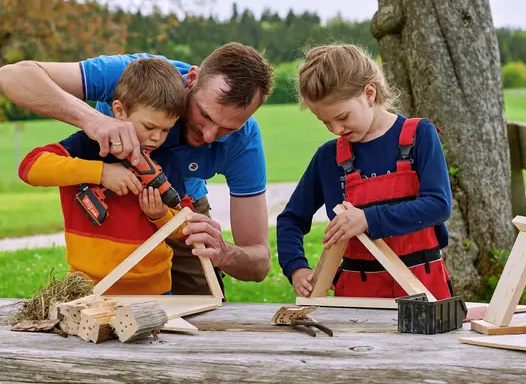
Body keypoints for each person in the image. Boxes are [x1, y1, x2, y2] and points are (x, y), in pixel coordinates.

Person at [0, 43, 275, 295]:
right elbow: (12, 76)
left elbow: (259, 262)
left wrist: (224, 252)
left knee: (200, 306)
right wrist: (93, 121)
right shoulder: (140, 77)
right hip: (111, 197)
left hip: (176, 203)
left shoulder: (245, 141)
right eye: (204, 115)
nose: (208, 136)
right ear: (191, 80)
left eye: (228, 128)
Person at [276, 43, 453, 299]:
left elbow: (438, 205)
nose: (336, 129)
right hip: (357, 300)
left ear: (369, 93)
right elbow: (290, 220)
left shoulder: (419, 136)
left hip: (426, 292)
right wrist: (296, 268)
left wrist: (368, 219)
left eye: (342, 116)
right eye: (324, 121)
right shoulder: (328, 158)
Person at [18, 58, 193, 295]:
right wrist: (101, 172)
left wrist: (160, 215)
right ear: (119, 111)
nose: (156, 138)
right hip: (88, 289)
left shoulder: (166, 162)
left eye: (166, 130)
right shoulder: (86, 146)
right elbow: (30, 168)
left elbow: (184, 230)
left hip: (154, 291)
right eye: (149, 127)